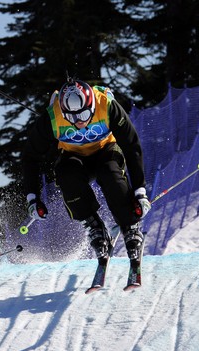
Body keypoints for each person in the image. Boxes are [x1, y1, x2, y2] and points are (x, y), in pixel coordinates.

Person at [22, 78, 151, 265]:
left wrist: (140, 191)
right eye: (73, 118)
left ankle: (130, 225)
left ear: (91, 106)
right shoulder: (52, 117)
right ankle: (93, 225)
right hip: (74, 156)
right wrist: (33, 198)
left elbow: (132, 146)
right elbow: (30, 156)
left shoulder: (106, 106)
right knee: (66, 175)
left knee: (110, 173)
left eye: (83, 116)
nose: (79, 122)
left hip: (106, 150)